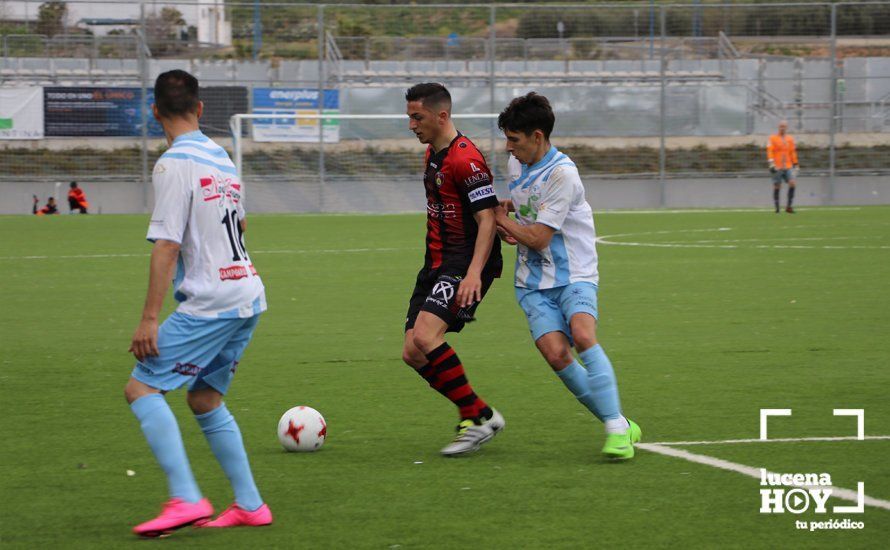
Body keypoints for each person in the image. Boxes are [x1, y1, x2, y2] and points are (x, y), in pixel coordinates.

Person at [124, 69, 272, 538]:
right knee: (205, 399)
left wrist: (149, 319)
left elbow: (166, 245)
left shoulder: (172, 163)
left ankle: (186, 498)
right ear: (201, 109)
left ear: (155, 113)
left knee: (142, 389)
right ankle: (249, 505)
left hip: (212, 301)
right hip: (248, 292)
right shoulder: (221, 155)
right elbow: (241, 227)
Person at [492, 92, 641, 460]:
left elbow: (541, 237)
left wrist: (495, 216)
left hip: (574, 273)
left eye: (515, 140)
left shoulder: (562, 174)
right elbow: (526, 222)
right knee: (557, 356)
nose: (508, 149)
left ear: (538, 136)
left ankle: (615, 432)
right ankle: (619, 421)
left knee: (582, 335)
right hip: (532, 282)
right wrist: (509, 219)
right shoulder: (516, 167)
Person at [402, 82, 505, 456]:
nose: (412, 124)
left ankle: (474, 420)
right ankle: (482, 413)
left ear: (441, 115)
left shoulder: (466, 159)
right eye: (410, 117)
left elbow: (487, 219)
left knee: (427, 337)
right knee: (412, 352)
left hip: (464, 261)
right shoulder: (433, 152)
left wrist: (475, 273)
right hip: (435, 261)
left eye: (418, 117)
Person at [767, 120, 799, 214]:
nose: (782, 128)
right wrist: (771, 163)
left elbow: (792, 152)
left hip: (788, 166)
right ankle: (777, 208)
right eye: (781, 126)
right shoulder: (772, 138)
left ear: (787, 127)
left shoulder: (790, 139)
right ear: (778, 127)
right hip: (777, 166)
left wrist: (796, 164)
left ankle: (789, 206)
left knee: (792, 183)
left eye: (784, 126)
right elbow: (769, 151)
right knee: (777, 186)